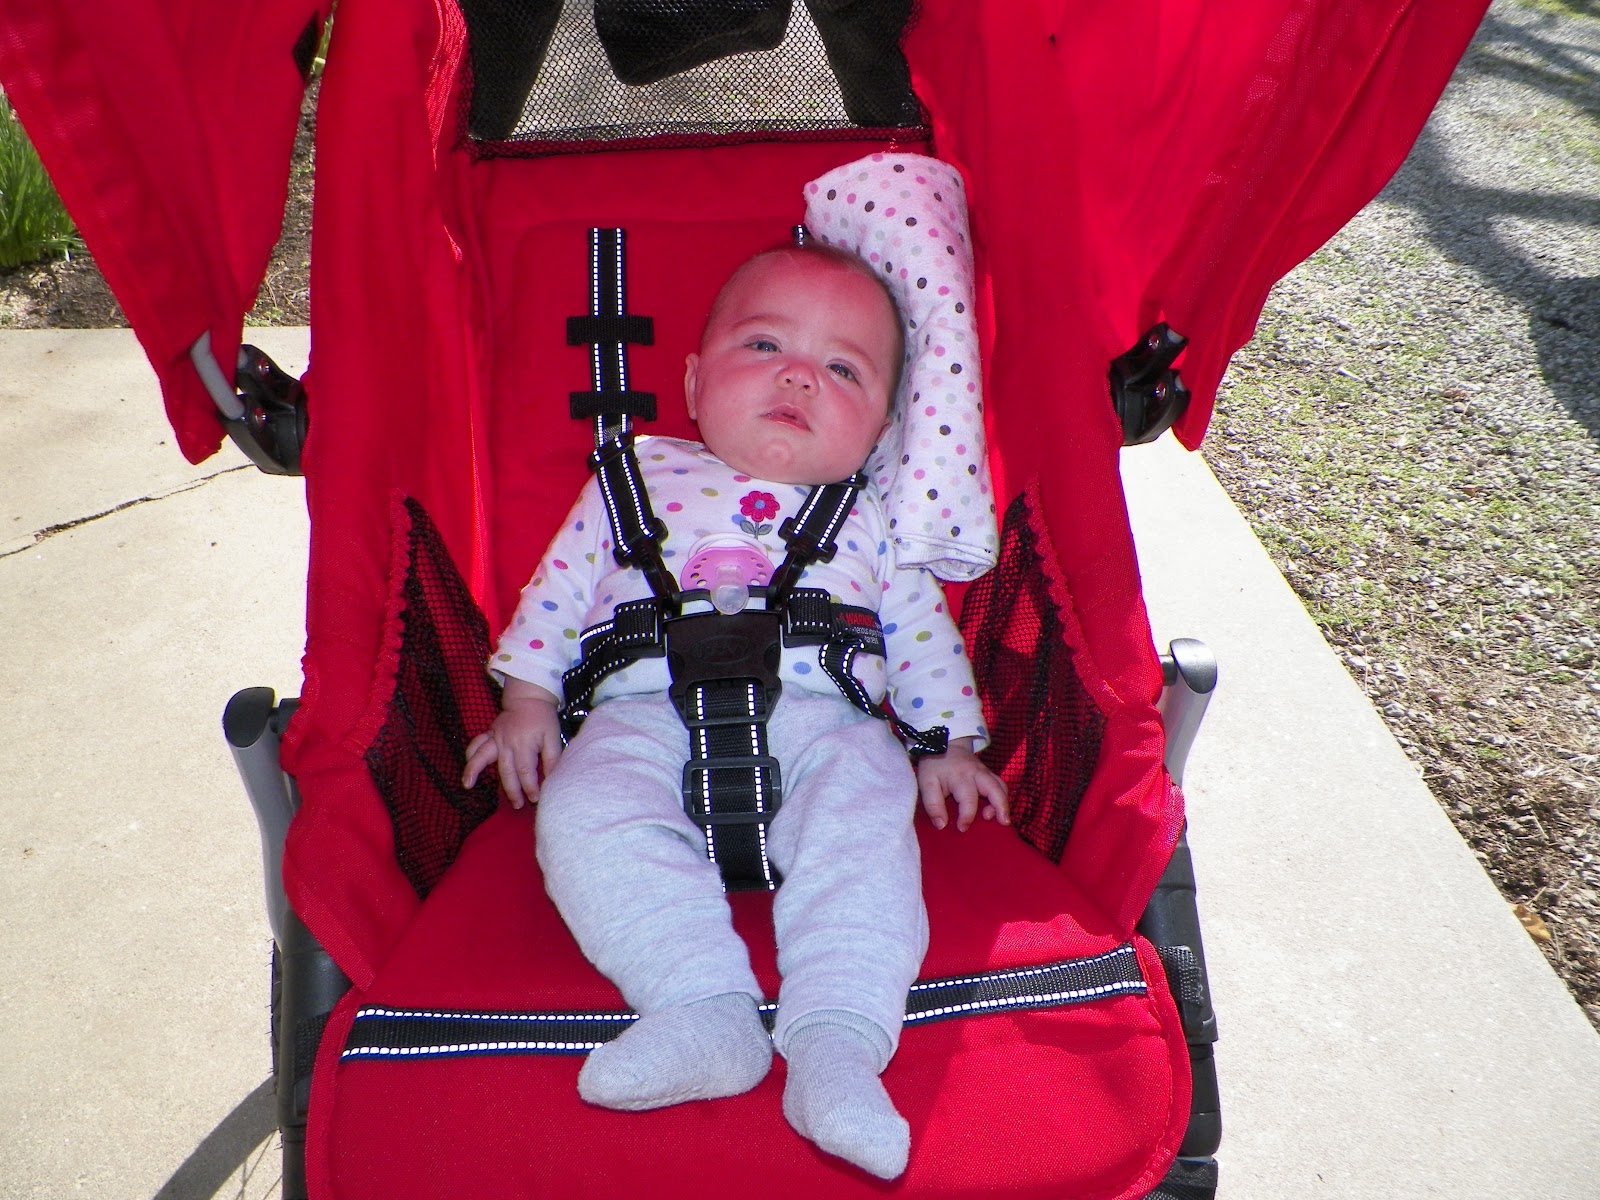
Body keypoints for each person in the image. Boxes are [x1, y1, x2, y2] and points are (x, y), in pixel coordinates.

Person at [463, 243, 1008, 1180]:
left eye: (844, 368)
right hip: (640, 717)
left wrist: (948, 744)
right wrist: (526, 698)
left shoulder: (870, 518)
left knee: (869, 816)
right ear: (693, 378)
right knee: (583, 811)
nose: (800, 372)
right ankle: (700, 1007)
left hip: (823, 726)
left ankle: (837, 1045)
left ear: (880, 428)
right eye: (764, 345)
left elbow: (920, 636)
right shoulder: (628, 479)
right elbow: (555, 592)